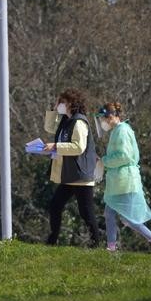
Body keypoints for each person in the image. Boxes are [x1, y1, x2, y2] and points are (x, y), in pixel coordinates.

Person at [95, 102, 151, 254]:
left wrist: (104, 161)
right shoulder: (116, 131)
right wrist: (102, 161)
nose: (102, 122)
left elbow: (124, 156)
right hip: (119, 181)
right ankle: (111, 248)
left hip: (125, 181)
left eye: (104, 118)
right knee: (109, 213)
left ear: (113, 116)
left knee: (128, 218)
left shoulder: (122, 130)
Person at [42, 88, 100, 246]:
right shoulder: (66, 121)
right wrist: (53, 109)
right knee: (55, 205)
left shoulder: (79, 122)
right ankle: (52, 239)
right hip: (69, 175)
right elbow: (49, 128)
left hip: (80, 176)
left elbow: (78, 147)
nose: (60, 104)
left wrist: (56, 146)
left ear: (71, 104)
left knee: (86, 212)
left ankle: (97, 244)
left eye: (62, 102)